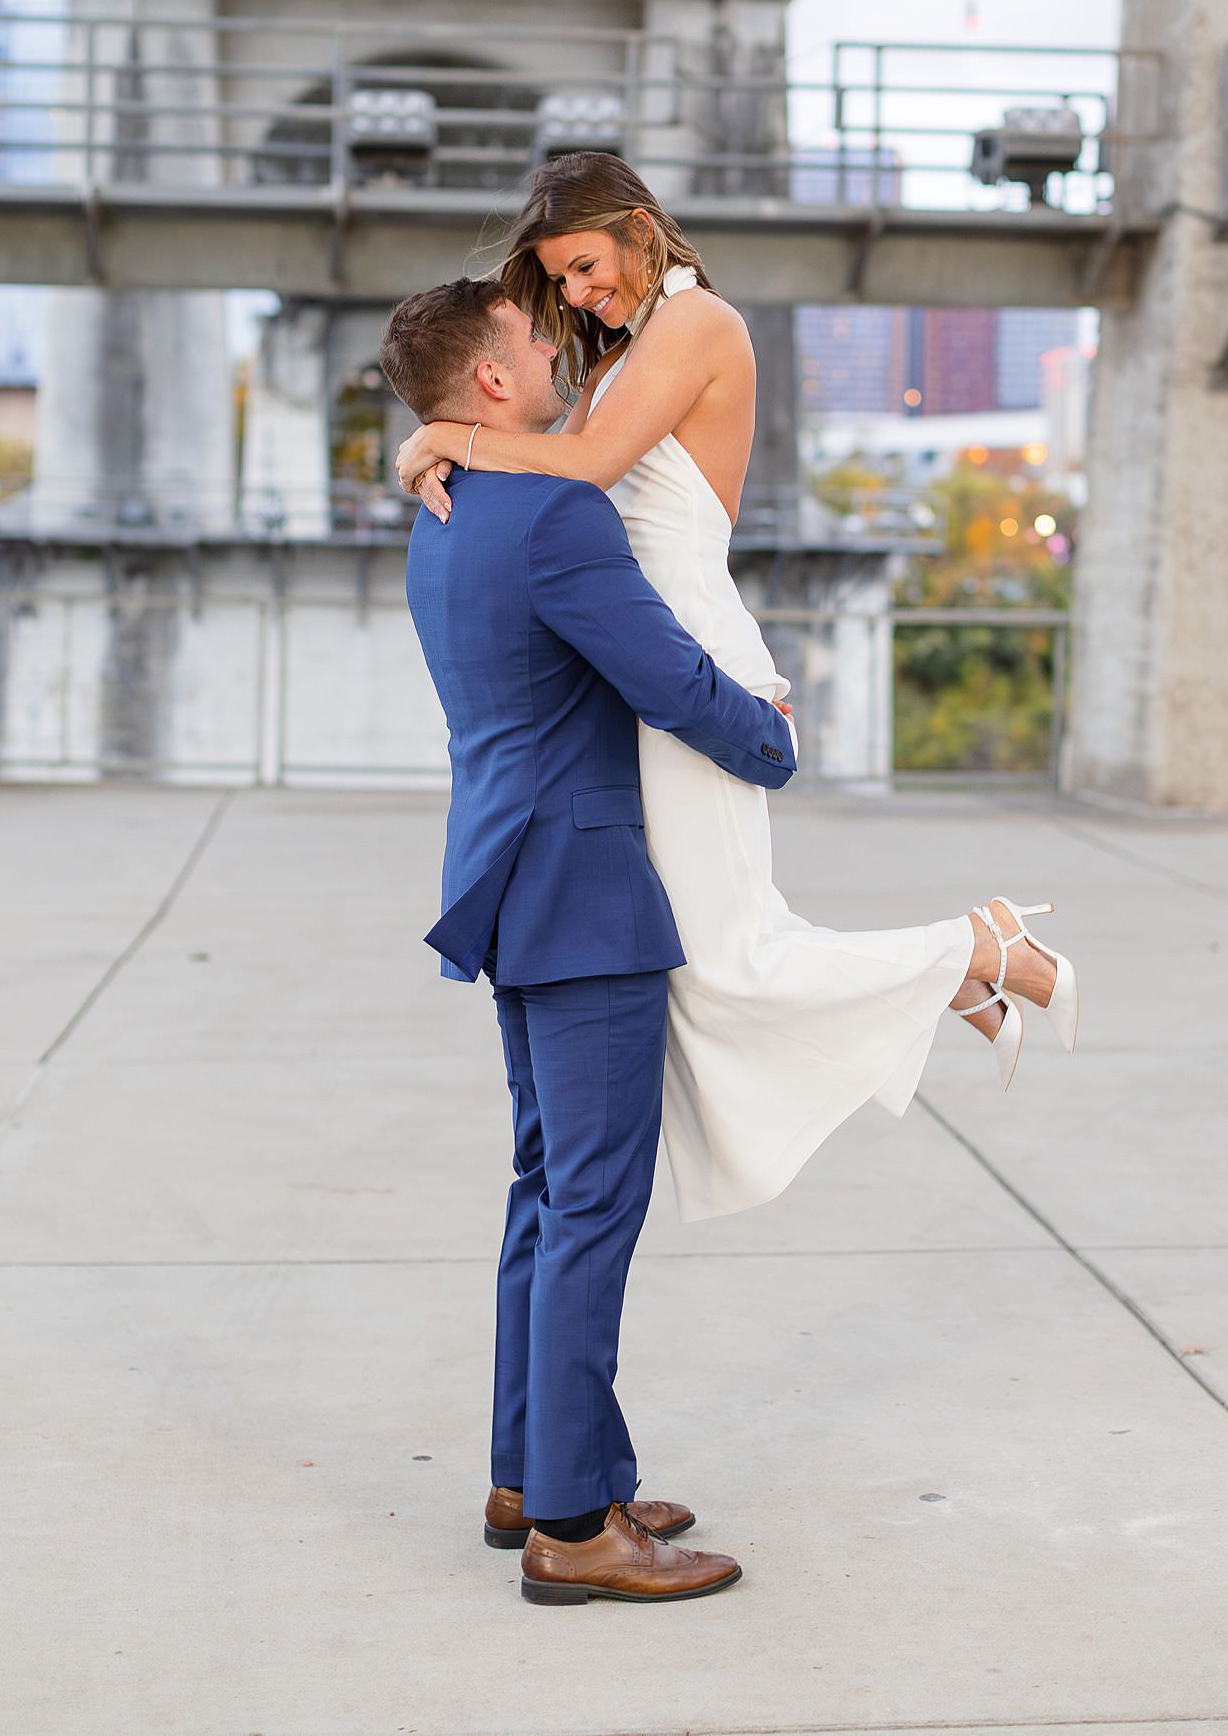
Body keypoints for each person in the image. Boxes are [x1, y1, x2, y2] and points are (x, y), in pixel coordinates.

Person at [395, 153, 1082, 1231]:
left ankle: (981, 951)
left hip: (693, 661)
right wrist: (456, 436)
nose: (575, 296)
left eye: (582, 267)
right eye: (559, 285)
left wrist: (446, 435)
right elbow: (560, 478)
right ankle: (962, 968)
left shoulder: (701, 323)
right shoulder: (624, 352)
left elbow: (587, 467)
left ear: (635, 225)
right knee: (707, 975)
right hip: (647, 660)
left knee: (732, 963)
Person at [382, 276, 798, 1606]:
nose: (555, 345)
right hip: (584, 896)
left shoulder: (442, 517)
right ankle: (571, 1522)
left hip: (511, 876)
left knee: (544, 1190)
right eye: (529, 334)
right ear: (491, 381)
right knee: (592, 1208)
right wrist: (767, 738)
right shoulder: (555, 511)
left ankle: (534, 1468)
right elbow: (665, 674)